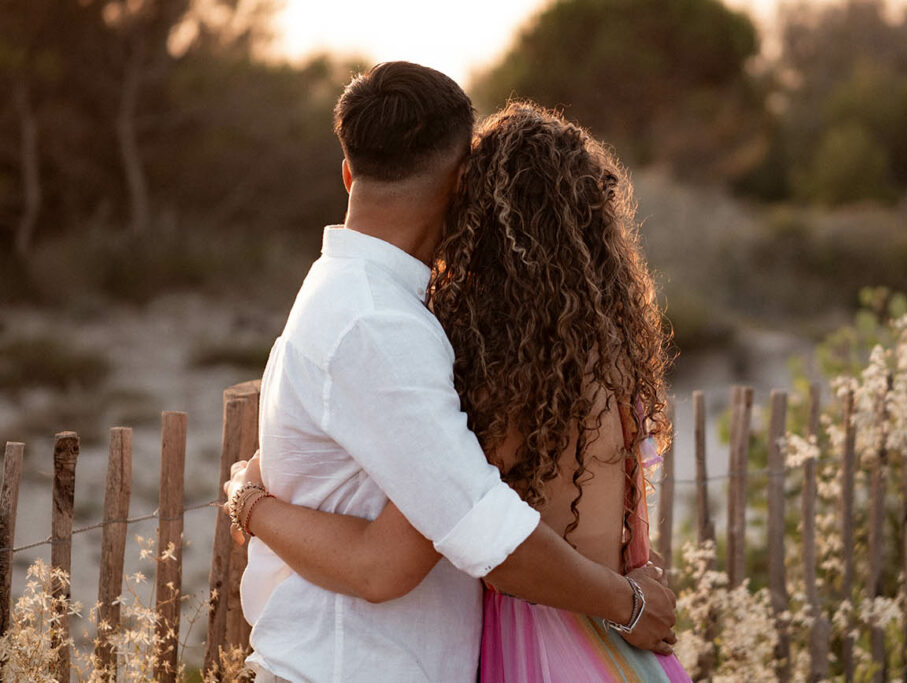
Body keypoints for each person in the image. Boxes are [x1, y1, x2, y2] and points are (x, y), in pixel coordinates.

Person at [227, 62, 678, 683]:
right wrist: (626, 605)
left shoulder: (349, 298)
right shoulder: (378, 326)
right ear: (464, 182)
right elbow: (447, 545)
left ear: (348, 172)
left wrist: (251, 503)